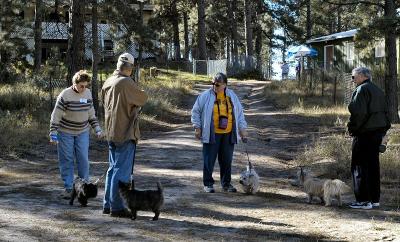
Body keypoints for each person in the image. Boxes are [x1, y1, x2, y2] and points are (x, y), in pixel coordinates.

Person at [101, 53, 148, 217]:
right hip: (125, 132)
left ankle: (108, 204)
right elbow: (142, 98)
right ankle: (117, 207)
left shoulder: (108, 81)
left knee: (112, 169)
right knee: (121, 172)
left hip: (111, 131)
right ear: (130, 68)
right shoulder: (126, 82)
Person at [191, 72, 248, 193]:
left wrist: (242, 130)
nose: (214, 86)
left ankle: (226, 184)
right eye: (213, 83)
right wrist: (197, 127)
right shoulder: (205, 96)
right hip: (211, 133)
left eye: (217, 84)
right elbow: (195, 111)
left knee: (226, 160)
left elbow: (239, 114)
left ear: (225, 85)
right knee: (209, 160)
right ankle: (208, 184)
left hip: (228, 134)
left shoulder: (232, 96)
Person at [49, 70, 102, 199]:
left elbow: (91, 113)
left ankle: (84, 187)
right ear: (75, 84)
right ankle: (68, 188)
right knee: (67, 159)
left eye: (86, 85)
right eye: (81, 86)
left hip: (82, 131)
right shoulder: (65, 95)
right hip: (65, 132)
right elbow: (56, 115)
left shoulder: (88, 93)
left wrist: (97, 128)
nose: (84, 88)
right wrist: (53, 132)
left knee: (83, 159)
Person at [347, 67, 391, 210]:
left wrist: (352, 128)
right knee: (373, 167)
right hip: (377, 133)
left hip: (364, 133)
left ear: (361, 76)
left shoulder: (361, 90)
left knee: (359, 166)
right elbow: (386, 112)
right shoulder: (378, 90)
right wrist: (384, 131)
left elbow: (358, 113)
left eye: (353, 77)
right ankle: (374, 199)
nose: (352, 80)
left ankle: (363, 200)